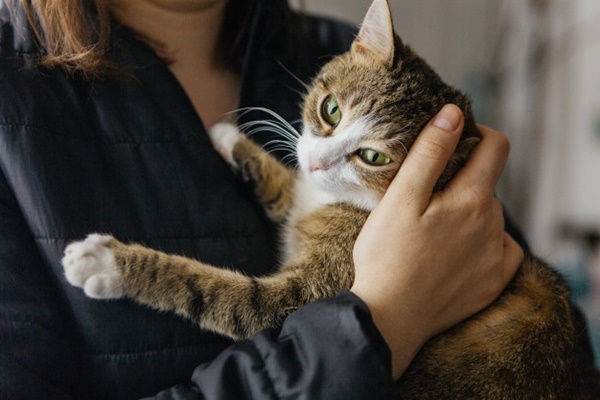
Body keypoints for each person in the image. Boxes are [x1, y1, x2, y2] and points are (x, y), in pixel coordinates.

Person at [0, 0, 596, 399]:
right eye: (330, 114)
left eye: (369, 156)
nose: (319, 156)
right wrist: (384, 318)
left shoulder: (362, 65)